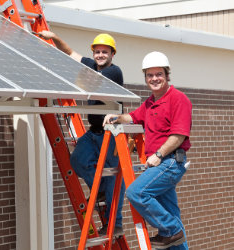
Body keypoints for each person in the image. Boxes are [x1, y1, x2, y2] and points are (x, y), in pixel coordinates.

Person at [39, 31, 125, 236]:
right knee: (78, 160)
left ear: (112, 54)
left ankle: (115, 223)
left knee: (114, 179)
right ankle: (100, 190)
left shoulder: (114, 72)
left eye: (105, 52)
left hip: (112, 133)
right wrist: (53, 36)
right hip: (94, 132)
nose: (100, 55)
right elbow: (69, 53)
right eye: (97, 51)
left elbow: (91, 82)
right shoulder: (91, 65)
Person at [103, 51, 191, 249]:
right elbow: (133, 117)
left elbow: (178, 136)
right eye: (150, 75)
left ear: (167, 75)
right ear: (145, 78)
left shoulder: (179, 99)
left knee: (136, 192)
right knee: (171, 213)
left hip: (169, 162)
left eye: (159, 74)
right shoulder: (150, 102)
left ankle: (170, 230)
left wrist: (158, 155)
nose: (154, 79)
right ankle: (172, 232)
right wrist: (116, 117)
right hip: (159, 164)